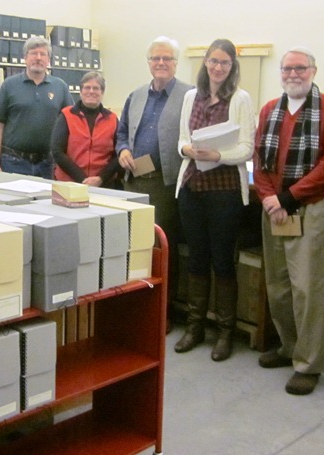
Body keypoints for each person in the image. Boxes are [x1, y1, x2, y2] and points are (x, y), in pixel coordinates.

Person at [253, 47, 324, 394]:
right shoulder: (269, 110)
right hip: (274, 208)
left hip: (314, 207)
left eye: (300, 68)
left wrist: (287, 198)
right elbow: (259, 157)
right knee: (278, 285)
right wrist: (267, 198)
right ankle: (290, 347)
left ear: (313, 70)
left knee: (308, 288)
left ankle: (308, 364)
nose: (293, 74)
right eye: (287, 68)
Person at [173, 38, 255, 362]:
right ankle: (195, 327)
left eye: (224, 62)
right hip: (192, 188)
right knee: (195, 257)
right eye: (213, 61)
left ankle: (225, 332)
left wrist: (217, 154)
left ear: (232, 66)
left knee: (222, 260)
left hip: (224, 192)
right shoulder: (191, 96)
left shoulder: (240, 99)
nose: (217, 67)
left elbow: (247, 147)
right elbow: (181, 139)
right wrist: (188, 151)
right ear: (205, 62)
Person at [116, 36, 193, 332]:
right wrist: (122, 149)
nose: (161, 64)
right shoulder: (135, 95)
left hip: (164, 185)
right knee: (133, 247)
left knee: (161, 248)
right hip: (133, 183)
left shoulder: (188, 95)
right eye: (155, 59)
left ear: (175, 63)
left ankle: (163, 312)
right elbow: (122, 131)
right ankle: (135, 307)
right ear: (148, 62)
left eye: (167, 59)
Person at [0, 36, 73, 179]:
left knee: (45, 202)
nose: (38, 58)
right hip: (13, 163)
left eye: (43, 54)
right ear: (25, 58)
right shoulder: (9, 85)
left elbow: (71, 124)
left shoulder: (60, 87)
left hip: (48, 165)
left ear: (49, 60)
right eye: (33, 53)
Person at [51, 72, 120, 188]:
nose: (91, 91)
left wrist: (101, 178)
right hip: (69, 184)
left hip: (103, 184)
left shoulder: (112, 119)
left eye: (96, 88)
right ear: (81, 91)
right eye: (87, 87)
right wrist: (83, 179)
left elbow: (119, 153)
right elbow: (57, 151)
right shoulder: (66, 115)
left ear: (102, 92)